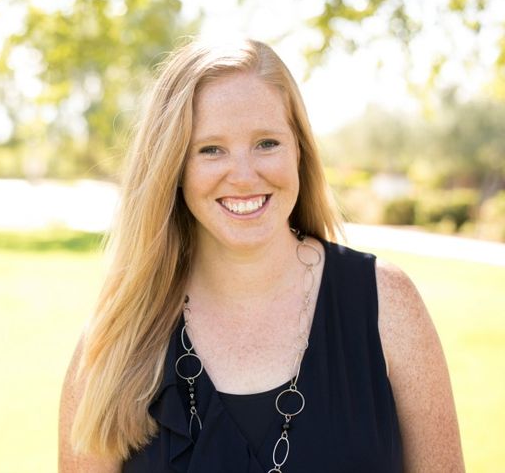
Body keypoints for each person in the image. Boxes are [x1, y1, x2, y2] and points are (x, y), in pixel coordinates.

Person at [58, 38, 464, 472]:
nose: (244, 175)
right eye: (210, 149)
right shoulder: (118, 337)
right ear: (173, 167)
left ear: (299, 151)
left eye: (267, 143)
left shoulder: (388, 305)